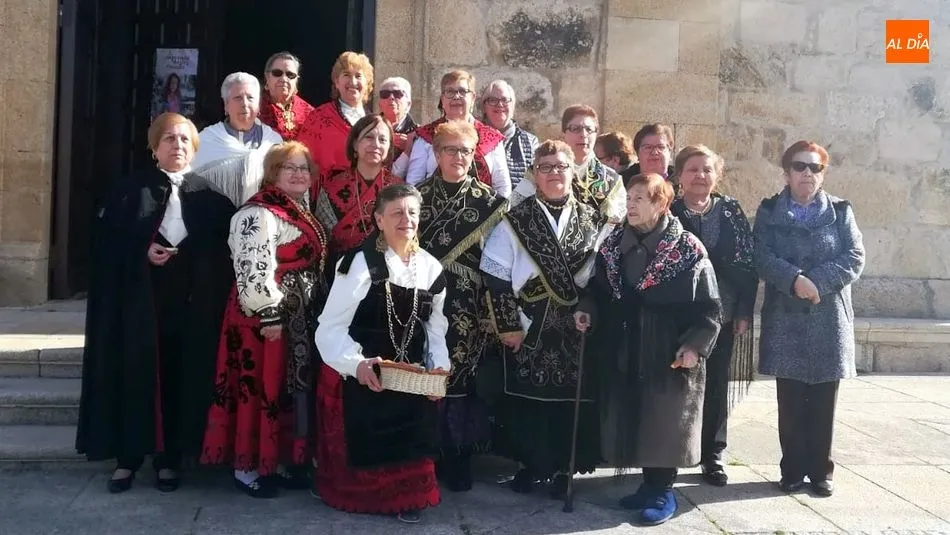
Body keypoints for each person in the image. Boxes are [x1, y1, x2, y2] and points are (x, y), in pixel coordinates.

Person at [76, 112, 234, 494]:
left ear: (194, 148)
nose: (177, 146)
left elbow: (223, 253)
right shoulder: (129, 192)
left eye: (184, 140)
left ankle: (169, 459)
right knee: (133, 374)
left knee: (180, 378)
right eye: (169, 139)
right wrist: (141, 250)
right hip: (138, 306)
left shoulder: (209, 197)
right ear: (154, 148)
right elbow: (106, 245)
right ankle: (128, 459)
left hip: (189, 308)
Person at [578, 172, 722, 526]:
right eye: (629, 197)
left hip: (666, 350)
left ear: (661, 204)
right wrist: (586, 310)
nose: (631, 204)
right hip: (624, 347)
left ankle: (662, 489)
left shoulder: (687, 250)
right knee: (635, 417)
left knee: (664, 421)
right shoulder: (612, 247)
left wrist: (694, 346)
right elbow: (596, 292)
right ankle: (647, 486)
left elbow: (710, 309)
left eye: (641, 198)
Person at [314, 184, 450, 524]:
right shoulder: (359, 264)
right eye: (397, 213)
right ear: (379, 219)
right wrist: (356, 364)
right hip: (366, 375)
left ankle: (408, 499)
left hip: (410, 379)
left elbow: (436, 329)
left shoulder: (432, 269)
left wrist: (438, 367)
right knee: (366, 443)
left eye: (413, 212)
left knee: (415, 438)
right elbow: (329, 328)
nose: (406, 219)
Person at [201, 141, 330, 498]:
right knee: (260, 385)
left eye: (304, 168)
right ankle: (247, 467)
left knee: (288, 389)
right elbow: (252, 264)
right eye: (290, 167)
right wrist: (268, 313)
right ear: (273, 173)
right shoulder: (258, 212)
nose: (299, 174)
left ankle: (282, 460)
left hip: (299, 315)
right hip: (263, 318)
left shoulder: (298, 209)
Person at [480, 140, 605, 497]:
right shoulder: (515, 220)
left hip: (574, 324)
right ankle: (533, 466)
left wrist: (589, 311)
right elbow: (496, 276)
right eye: (546, 167)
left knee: (570, 401)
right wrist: (507, 326)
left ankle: (566, 469)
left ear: (572, 171)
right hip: (529, 322)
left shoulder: (590, 220)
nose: (553, 173)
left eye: (561, 166)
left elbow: (597, 279)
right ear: (534, 174)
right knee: (528, 400)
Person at [754, 140, 865, 498]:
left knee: (822, 399)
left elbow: (855, 256)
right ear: (786, 172)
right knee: (790, 399)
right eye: (799, 166)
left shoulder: (841, 211)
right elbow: (760, 254)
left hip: (826, 316)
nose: (807, 173)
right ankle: (791, 470)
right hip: (786, 316)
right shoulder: (770, 210)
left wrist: (818, 281)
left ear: (823, 173)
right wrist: (793, 280)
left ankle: (820, 471)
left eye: (814, 168)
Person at [416, 120, 508, 491]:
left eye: (465, 151)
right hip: (420, 299)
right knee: (422, 371)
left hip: (467, 303)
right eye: (450, 150)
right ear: (436, 154)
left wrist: (495, 317)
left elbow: (498, 264)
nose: (458, 157)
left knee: (460, 378)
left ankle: (457, 457)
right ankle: (423, 453)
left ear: (475, 156)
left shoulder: (490, 203)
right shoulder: (415, 197)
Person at [670, 145, 757, 487]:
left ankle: (713, 453)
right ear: (679, 175)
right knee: (678, 382)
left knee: (717, 383)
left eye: (706, 169)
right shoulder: (671, 210)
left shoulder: (731, 211)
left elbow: (749, 264)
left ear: (717, 174)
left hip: (723, 312)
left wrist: (744, 311)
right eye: (692, 169)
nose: (700, 176)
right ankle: (675, 450)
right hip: (680, 314)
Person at [394, 70, 512, 198]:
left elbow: (502, 187)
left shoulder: (491, 138)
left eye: (462, 91)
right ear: (442, 99)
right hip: (435, 213)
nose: (456, 97)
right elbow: (414, 183)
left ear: (473, 98)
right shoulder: (425, 136)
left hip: (482, 214)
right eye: (450, 92)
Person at [511, 105, 625, 226]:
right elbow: (515, 210)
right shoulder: (539, 170)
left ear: (597, 133)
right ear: (563, 133)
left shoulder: (611, 181)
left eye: (589, 129)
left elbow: (614, 227)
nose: (583, 134)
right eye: (576, 129)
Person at [313, 114, 402, 256]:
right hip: (340, 269)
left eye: (383, 139)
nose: (376, 145)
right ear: (355, 144)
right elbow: (323, 239)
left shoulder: (399, 190)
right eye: (369, 137)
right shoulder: (332, 188)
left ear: (389, 147)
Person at [190, 72, 283, 206]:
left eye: (250, 98)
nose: (245, 103)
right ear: (226, 105)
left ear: (258, 105)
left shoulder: (274, 141)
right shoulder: (205, 140)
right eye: (238, 98)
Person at [298, 51, 373, 191]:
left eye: (358, 76)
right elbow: (302, 161)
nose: (353, 82)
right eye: (346, 75)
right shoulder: (318, 118)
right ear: (336, 82)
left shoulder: (376, 123)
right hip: (328, 200)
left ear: (367, 83)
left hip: (368, 198)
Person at [479, 79, 539, 189]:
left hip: (519, 205)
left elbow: (535, 181)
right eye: (492, 100)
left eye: (505, 100)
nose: (499, 104)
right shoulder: (473, 139)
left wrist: (512, 204)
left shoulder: (531, 143)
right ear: (484, 107)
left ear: (513, 106)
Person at [258, 52, 315, 141]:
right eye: (277, 73)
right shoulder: (253, 108)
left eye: (290, 75)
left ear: (296, 80)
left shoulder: (310, 113)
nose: (284, 79)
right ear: (267, 77)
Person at [621, 123, 675, 188]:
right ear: (638, 153)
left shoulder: (682, 182)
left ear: (669, 151)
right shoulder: (620, 184)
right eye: (648, 147)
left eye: (660, 147)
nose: (654, 152)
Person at [377, 76, 418, 161]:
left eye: (398, 94)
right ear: (379, 104)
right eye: (385, 94)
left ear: (408, 104)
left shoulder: (418, 134)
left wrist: (412, 148)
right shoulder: (368, 129)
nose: (391, 97)